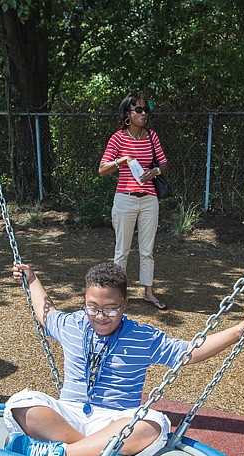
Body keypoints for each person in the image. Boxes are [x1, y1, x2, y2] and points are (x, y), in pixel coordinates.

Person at [4, 261, 244, 456]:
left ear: (124, 305)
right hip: (68, 414)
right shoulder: (73, 324)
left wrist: (236, 333)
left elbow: (189, 353)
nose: (100, 316)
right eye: (92, 307)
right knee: (21, 403)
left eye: (110, 309)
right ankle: (89, 454)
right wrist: (32, 278)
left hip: (116, 420)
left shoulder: (143, 337)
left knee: (154, 423)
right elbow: (44, 312)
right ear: (84, 301)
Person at [99, 92, 168, 310]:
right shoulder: (118, 138)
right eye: (138, 109)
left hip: (149, 200)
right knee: (122, 250)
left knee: (147, 250)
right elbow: (102, 169)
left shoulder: (151, 136)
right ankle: (118, 296)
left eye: (145, 109)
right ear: (127, 114)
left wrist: (155, 170)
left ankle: (148, 292)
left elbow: (164, 163)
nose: (143, 114)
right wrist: (122, 160)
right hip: (125, 200)